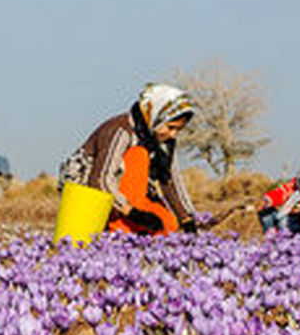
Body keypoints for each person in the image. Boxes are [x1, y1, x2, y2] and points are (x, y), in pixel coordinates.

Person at [59, 83, 199, 235]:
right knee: (138, 155)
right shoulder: (121, 130)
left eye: (178, 130)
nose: (174, 135)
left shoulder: (160, 138)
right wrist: (133, 213)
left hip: (127, 197)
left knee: (168, 223)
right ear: (155, 115)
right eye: (171, 127)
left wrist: (186, 218)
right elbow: (100, 179)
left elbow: (169, 179)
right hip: (88, 194)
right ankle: (118, 228)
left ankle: (132, 231)